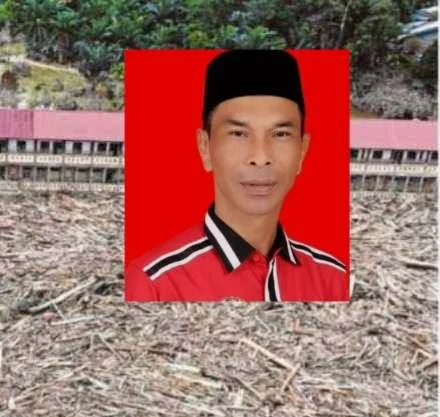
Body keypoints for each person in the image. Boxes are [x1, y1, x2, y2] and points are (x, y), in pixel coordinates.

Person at [125, 50, 348, 302]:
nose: (260, 156)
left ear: (303, 152)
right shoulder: (154, 284)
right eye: (238, 134)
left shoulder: (334, 279)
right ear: (205, 147)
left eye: (281, 134)